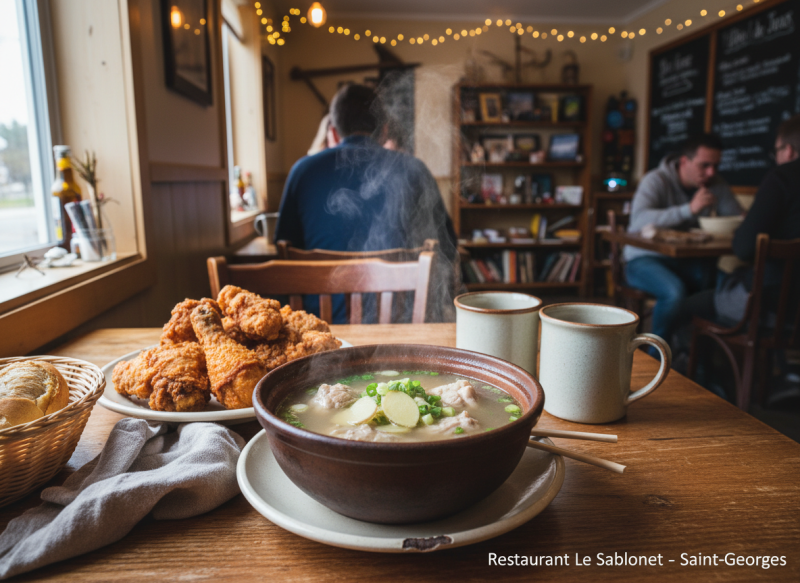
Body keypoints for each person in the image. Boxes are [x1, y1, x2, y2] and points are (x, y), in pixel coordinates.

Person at [274, 83, 458, 324]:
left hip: (321, 331)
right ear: (383, 131)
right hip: (400, 330)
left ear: (334, 132)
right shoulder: (414, 169)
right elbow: (446, 246)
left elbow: (283, 250)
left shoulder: (302, 171)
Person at [624, 133, 743, 346]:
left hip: (689, 262)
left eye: (715, 166)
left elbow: (737, 218)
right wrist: (688, 210)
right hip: (643, 260)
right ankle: (656, 360)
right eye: (704, 165)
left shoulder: (715, 183)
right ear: (684, 162)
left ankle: (697, 356)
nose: (711, 172)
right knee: (675, 293)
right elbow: (638, 222)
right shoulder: (656, 180)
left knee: (730, 288)